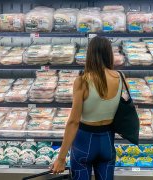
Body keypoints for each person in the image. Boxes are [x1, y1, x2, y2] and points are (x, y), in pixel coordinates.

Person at [52, 36, 124, 180]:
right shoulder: (120, 77)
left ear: (90, 55)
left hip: (84, 141)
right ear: (109, 54)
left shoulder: (82, 81)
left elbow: (73, 121)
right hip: (107, 141)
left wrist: (61, 158)